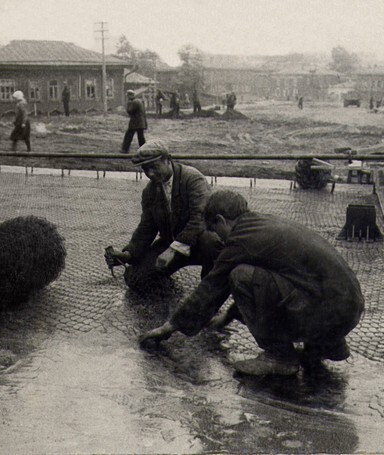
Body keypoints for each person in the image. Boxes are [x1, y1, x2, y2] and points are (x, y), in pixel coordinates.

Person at [139, 190, 365, 377]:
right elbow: (272, 282)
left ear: (221, 220)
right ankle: (326, 345)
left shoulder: (240, 240)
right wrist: (227, 316)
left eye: (216, 232)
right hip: (346, 308)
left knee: (240, 276)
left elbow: (211, 288)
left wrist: (171, 326)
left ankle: (279, 357)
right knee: (262, 276)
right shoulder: (261, 223)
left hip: (329, 314)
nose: (219, 240)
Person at [105, 140, 223, 292]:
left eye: (154, 167)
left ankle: (210, 289)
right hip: (170, 242)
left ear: (168, 160)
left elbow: (199, 219)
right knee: (136, 278)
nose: (150, 174)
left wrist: (172, 250)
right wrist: (127, 254)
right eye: (145, 169)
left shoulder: (193, 179)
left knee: (211, 241)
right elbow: (146, 228)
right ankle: (165, 286)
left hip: (199, 243)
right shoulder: (149, 192)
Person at [121, 90, 147, 154]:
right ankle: (144, 150)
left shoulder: (134, 102)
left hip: (135, 122)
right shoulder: (139, 101)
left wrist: (128, 104)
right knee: (141, 137)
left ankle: (125, 149)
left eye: (128, 96)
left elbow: (130, 111)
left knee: (128, 135)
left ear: (130, 95)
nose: (127, 98)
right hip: (141, 122)